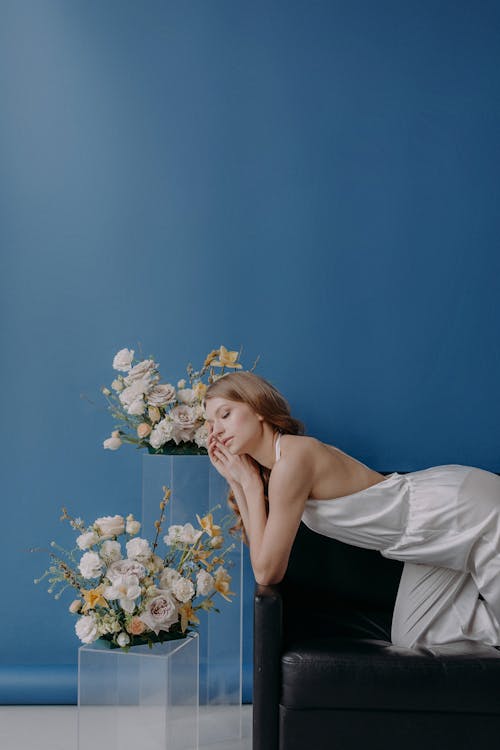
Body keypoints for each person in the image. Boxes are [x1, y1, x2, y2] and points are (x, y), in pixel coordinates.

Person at [203, 370, 500, 650]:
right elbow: (262, 560)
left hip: (462, 513)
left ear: (258, 409)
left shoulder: (292, 462)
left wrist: (251, 486)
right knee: (414, 634)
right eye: (210, 424)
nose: (217, 430)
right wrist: (239, 481)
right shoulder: (282, 464)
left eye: (225, 414)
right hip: (426, 539)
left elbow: (267, 572)